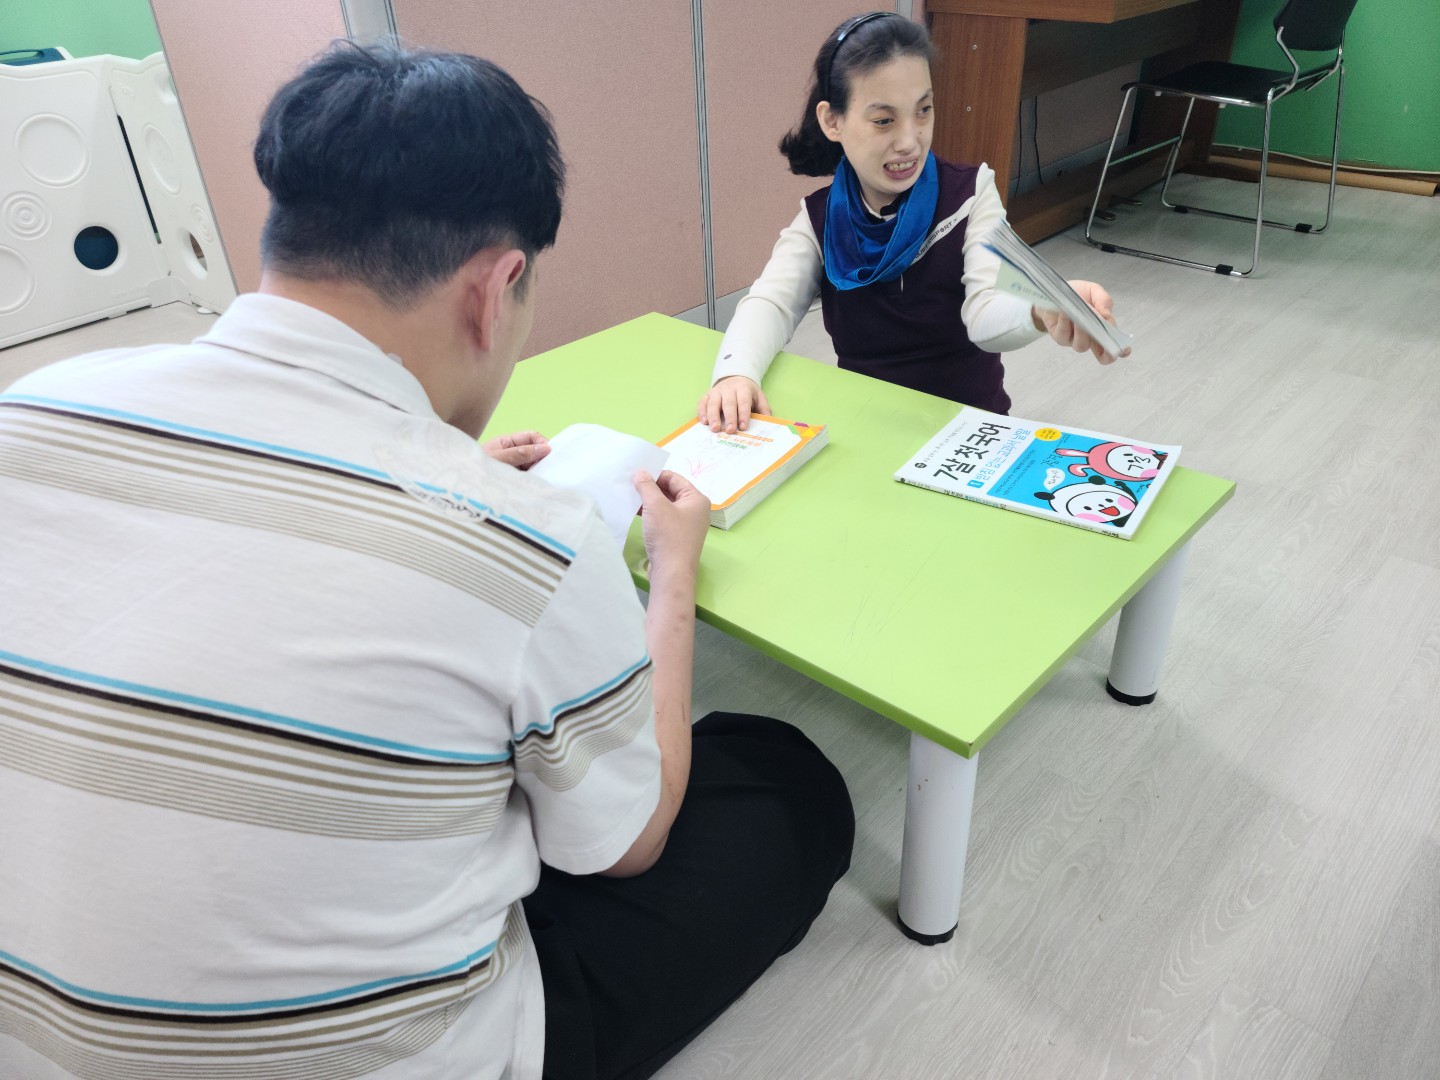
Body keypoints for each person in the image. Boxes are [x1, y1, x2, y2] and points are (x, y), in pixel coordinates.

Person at [0, 42, 852, 1080]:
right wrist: (672, 575)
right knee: (782, 782)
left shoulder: (33, 408)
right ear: (496, 289)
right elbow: (630, 848)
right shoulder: (525, 540)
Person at [699, 11, 1128, 435]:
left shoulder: (970, 195)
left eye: (923, 111)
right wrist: (736, 374)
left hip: (969, 432)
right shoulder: (822, 219)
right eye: (884, 120)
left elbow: (987, 312)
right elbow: (771, 303)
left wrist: (1039, 305)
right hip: (869, 429)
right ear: (833, 121)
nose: (910, 141)